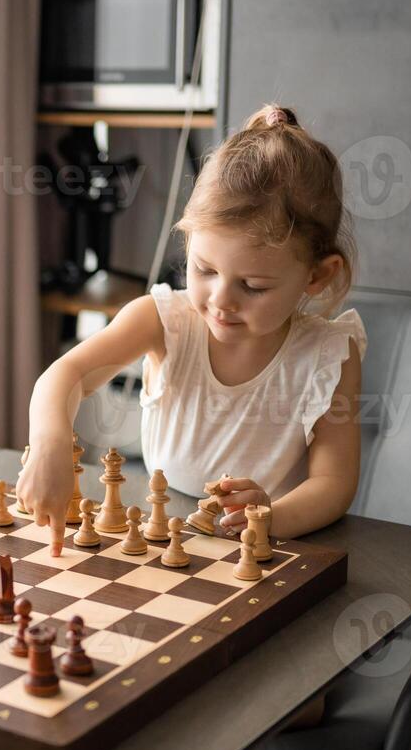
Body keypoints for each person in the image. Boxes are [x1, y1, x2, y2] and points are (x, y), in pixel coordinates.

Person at [18, 104, 367, 550]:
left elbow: (333, 484)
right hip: (166, 541)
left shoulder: (329, 356)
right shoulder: (164, 321)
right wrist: (50, 442)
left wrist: (269, 516)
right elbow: (64, 376)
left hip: (265, 558)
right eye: (203, 269)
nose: (221, 300)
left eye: (253, 286)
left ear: (316, 276)